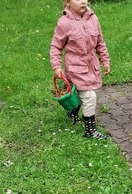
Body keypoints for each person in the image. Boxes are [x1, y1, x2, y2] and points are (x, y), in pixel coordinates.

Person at [50, 0, 111, 140]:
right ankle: (90, 131)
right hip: (75, 68)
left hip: (91, 65)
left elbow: (100, 42)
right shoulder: (64, 23)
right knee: (89, 97)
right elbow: (55, 47)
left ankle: (72, 111)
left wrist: (105, 60)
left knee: (76, 94)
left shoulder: (93, 18)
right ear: (67, 2)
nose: (83, 1)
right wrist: (56, 66)